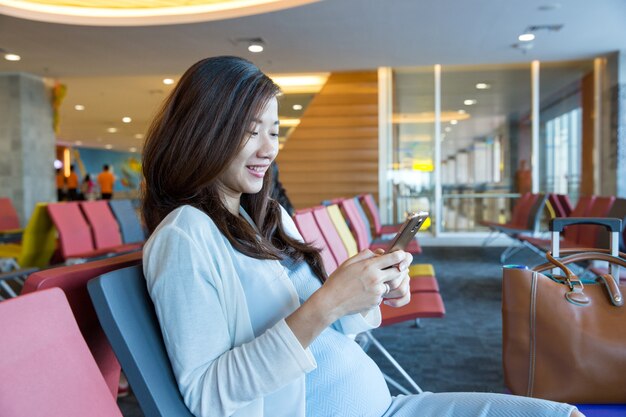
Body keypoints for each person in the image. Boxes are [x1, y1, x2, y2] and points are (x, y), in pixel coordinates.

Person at [141, 56, 583, 417]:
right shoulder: (185, 237)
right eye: (250, 130)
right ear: (204, 131)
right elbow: (207, 395)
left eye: (274, 132)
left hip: (388, 406)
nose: (269, 148)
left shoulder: (269, 217)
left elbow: (328, 333)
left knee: (563, 416)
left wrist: (366, 291)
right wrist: (329, 300)